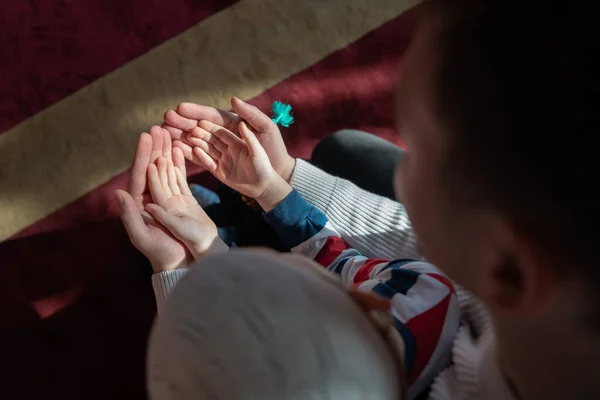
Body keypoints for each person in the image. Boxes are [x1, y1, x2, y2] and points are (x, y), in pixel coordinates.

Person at [153, 1, 600, 399]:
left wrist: (185, 273)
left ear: (506, 269)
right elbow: (407, 238)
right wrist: (281, 184)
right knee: (342, 152)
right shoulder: (549, 289)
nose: (401, 152)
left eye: (416, 147)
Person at [117, 126, 459, 399]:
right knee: (339, 150)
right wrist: (272, 189)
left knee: (188, 217)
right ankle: (237, 223)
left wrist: (175, 263)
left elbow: (197, 370)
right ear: (363, 299)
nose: (284, 260)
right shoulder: (422, 292)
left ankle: (232, 226)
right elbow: (335, 257)